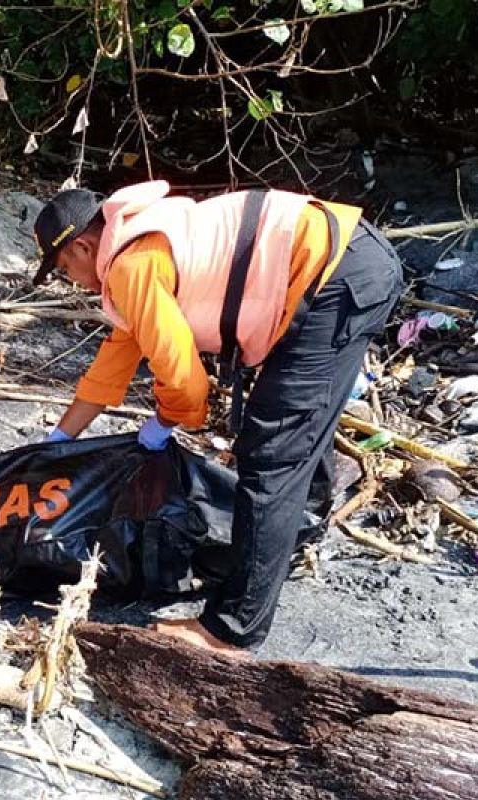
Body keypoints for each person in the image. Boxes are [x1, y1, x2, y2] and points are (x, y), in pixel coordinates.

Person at [32, 180, 403, 654]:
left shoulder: (131, 264)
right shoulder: (136, 244)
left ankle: (233, 626)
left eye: (65, 269)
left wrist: (166, 421)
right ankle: (298, 534)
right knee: (298, 421)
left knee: (272, 450)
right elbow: (115, 361)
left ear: (84, 246)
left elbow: (186, 382)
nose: (74, 280)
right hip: (346, 259)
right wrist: (60, 438)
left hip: (334, 273)